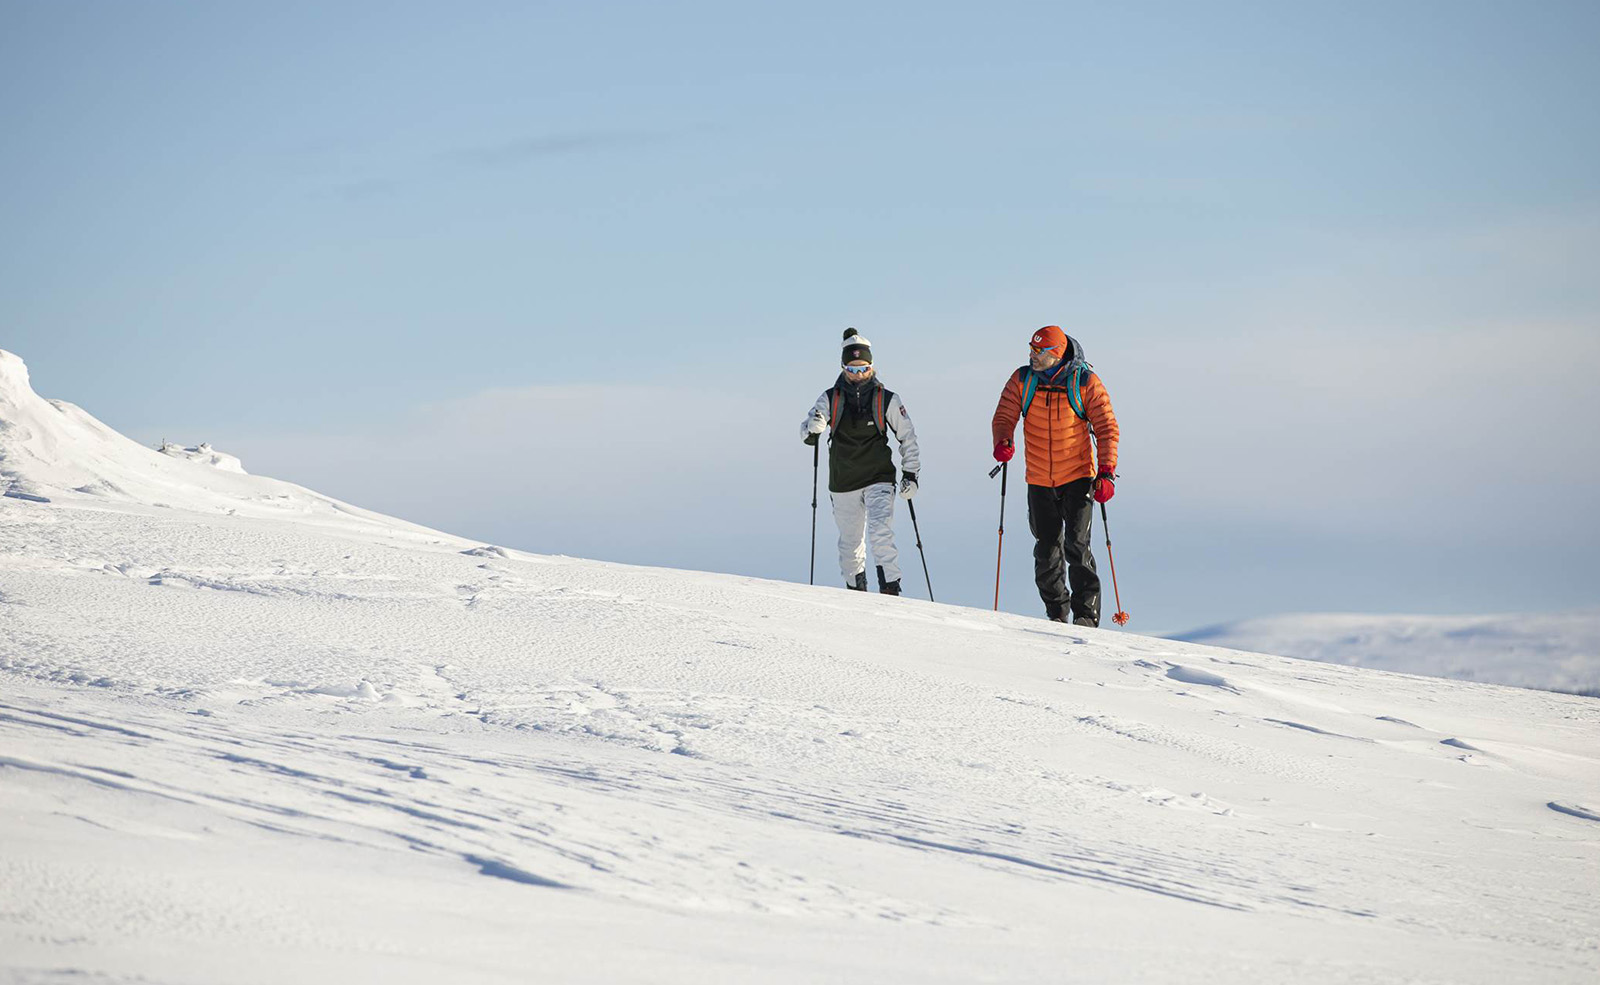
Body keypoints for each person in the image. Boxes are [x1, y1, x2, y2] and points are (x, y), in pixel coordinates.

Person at [991, 326, 1119, 625]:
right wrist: (1002, 440)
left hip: (1078, 477)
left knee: (1077, 546)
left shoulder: (1085, 382)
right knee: (1046, 551)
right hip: (1038, 479)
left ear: (1057, 354)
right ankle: (1057, 613)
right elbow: (1004, 414)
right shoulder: (1022, 379)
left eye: (1039, 352)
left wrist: (1107, 473)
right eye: (1031, 350)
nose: (1032, 356)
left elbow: (1106, 428)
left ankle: (1086, 617)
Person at [800, 329, 921, 594]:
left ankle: (890, 589)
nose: (858, 374)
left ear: (872, 366)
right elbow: (806, 431)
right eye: (852, 369)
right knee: (851, 544)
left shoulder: (886, 399)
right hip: (843, 481)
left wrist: (910, 474)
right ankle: (857, 595)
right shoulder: (831, 397)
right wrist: (814, 428)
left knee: (880, 532)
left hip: (878, 476)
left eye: (863, 368)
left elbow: (907, 436)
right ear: (843, 368)